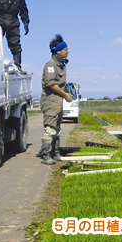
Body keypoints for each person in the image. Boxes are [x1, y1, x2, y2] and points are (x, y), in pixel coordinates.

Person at [38, 34, 72, 165]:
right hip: (51, 101)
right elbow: (51, 84)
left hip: (57, 102)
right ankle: (46, 154)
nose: (68, 51)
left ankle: (55, 152)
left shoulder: (61, 65)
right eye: (65, 49)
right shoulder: (50, 65)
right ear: (58, 51)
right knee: (50, 128)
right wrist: (65, 94)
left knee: (57, 129)